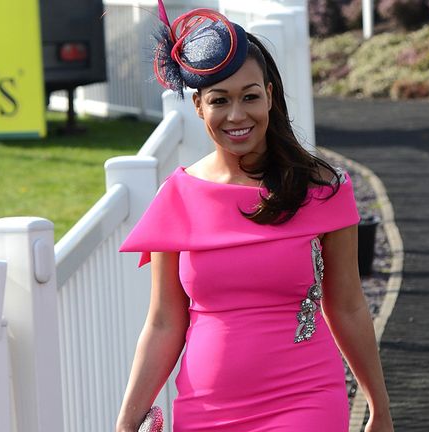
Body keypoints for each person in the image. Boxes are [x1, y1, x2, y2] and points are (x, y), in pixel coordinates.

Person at [116, 3, 393, 431]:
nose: (237, 115)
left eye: (249, 96)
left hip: (305, 399)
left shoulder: (322, 188)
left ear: (269, 94)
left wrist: (379, 406)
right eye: (219, 100)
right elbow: (164, 322)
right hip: (205, 410)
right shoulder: (178, 196)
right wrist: (126, 421)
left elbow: (348, 306)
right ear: (198, 105)